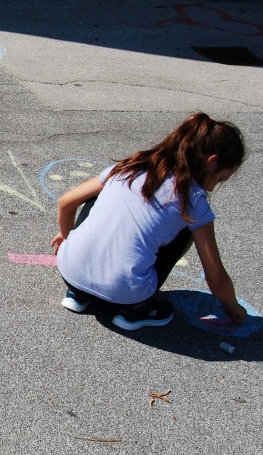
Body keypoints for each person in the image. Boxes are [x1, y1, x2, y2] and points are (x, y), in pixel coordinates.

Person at [51, 112, 247, 331]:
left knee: (96, 197)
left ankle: (79, 295)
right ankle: (136, 311)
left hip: (70, 271)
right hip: (125, 294)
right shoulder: (193, 199)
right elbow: (215, 275)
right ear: (212, 162)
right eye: (220, 179)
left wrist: (68, 237)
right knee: (189, 227)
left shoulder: (132, 166)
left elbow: (65, 202)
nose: (211, 188)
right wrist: (233, 308)